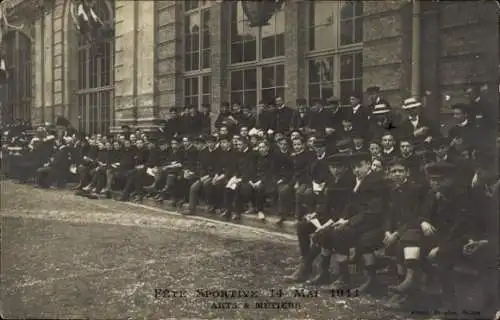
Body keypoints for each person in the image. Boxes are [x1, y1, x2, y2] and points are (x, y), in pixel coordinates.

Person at [313, 152, 389, 293]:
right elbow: (350, 205)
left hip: (373, 222)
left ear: (368, 164)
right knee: (325, 233)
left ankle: (350, 277)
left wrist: (348, 222)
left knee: (339, 232)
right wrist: (341, 219)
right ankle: (324, 273)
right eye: (353, 167)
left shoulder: (376, 181)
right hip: (359, 221)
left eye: (359, 166)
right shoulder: (359, 180)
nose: (356, 170)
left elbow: (372, 211)